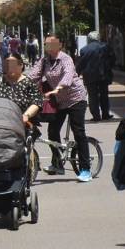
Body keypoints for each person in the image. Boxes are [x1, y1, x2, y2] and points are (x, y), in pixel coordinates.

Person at [27, 36, 91, 181]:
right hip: (60, 101)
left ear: (59, 45)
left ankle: (85, 169)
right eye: (46, 44)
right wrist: (19, 82)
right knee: (53, 130)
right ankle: (57, 163)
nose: (48, 46)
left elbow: (68, 76)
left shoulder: (65, 59)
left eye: (52, 44)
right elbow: (33, 75)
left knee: (79, 132)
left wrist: (58, 89)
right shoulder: (44, 61)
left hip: (76, 99)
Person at [0, 51, 43, 128]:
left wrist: (26, 115)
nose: (10, 68)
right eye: (7, 64)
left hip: (21, 124)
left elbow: (36, 102)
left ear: (21, 65)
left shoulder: (29, 83)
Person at [76, 31, 114, 121]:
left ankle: (96, 116)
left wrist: (76, 74)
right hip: (103, 75)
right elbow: (113, 59)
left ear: (89, 39)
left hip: (90, 77)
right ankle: (105, 114)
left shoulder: (84, 50)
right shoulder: (106, 47)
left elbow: (81, 63)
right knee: (104, 95)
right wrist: (108, 68)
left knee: (93, 96)